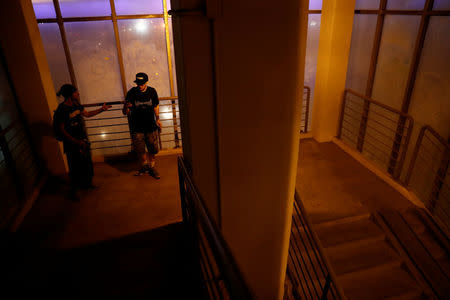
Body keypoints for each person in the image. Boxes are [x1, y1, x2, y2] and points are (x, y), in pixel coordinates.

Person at [53, 84, 111, 200]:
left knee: (87, 164)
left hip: (83, 141)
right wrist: (75, 141)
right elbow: (61, 129)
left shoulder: (76, 105)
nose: (78, 94)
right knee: (75, 167)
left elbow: (87, 114)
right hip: (72, 144)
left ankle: (87, 184)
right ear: (70, 95)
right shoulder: (62, 110)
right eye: (76, 92)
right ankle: (74, 191)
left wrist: (101, 109)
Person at [122, 72, 162, 178]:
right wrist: (126, 107)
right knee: (140, 149)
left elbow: (156, 106)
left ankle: (152, 167)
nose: (140, 86)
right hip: (137, 127)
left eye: (142, 83)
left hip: (151, 125)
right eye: (138, 83)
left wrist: (157, 119)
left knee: (152, 148)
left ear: (146, 82)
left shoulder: (152, 92)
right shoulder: (131, 93)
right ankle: (144, 166)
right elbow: (125, 112)